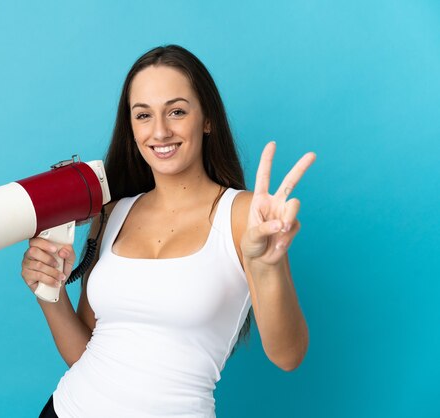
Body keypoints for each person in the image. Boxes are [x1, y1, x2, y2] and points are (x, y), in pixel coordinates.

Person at [22, 45, 315, 418]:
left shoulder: (242, 215)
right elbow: (83, 353)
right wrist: (49, 292)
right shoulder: (112, 213)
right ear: (131, 128)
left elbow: (288, 356)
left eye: (176, 111)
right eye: (143, 115)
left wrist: (268, 266)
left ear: (207, 119)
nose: (160, 131)